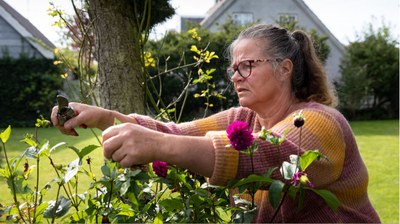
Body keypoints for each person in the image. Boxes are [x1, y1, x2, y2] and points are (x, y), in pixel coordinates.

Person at [51, 23, 380, 223]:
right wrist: (104, 117)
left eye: (247, 65)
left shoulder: (319, 122)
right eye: (233, 69)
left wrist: (159, 146)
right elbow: (176, 134)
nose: (236, 77)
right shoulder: (244, 119)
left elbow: (268, 158)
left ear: (285, 69)